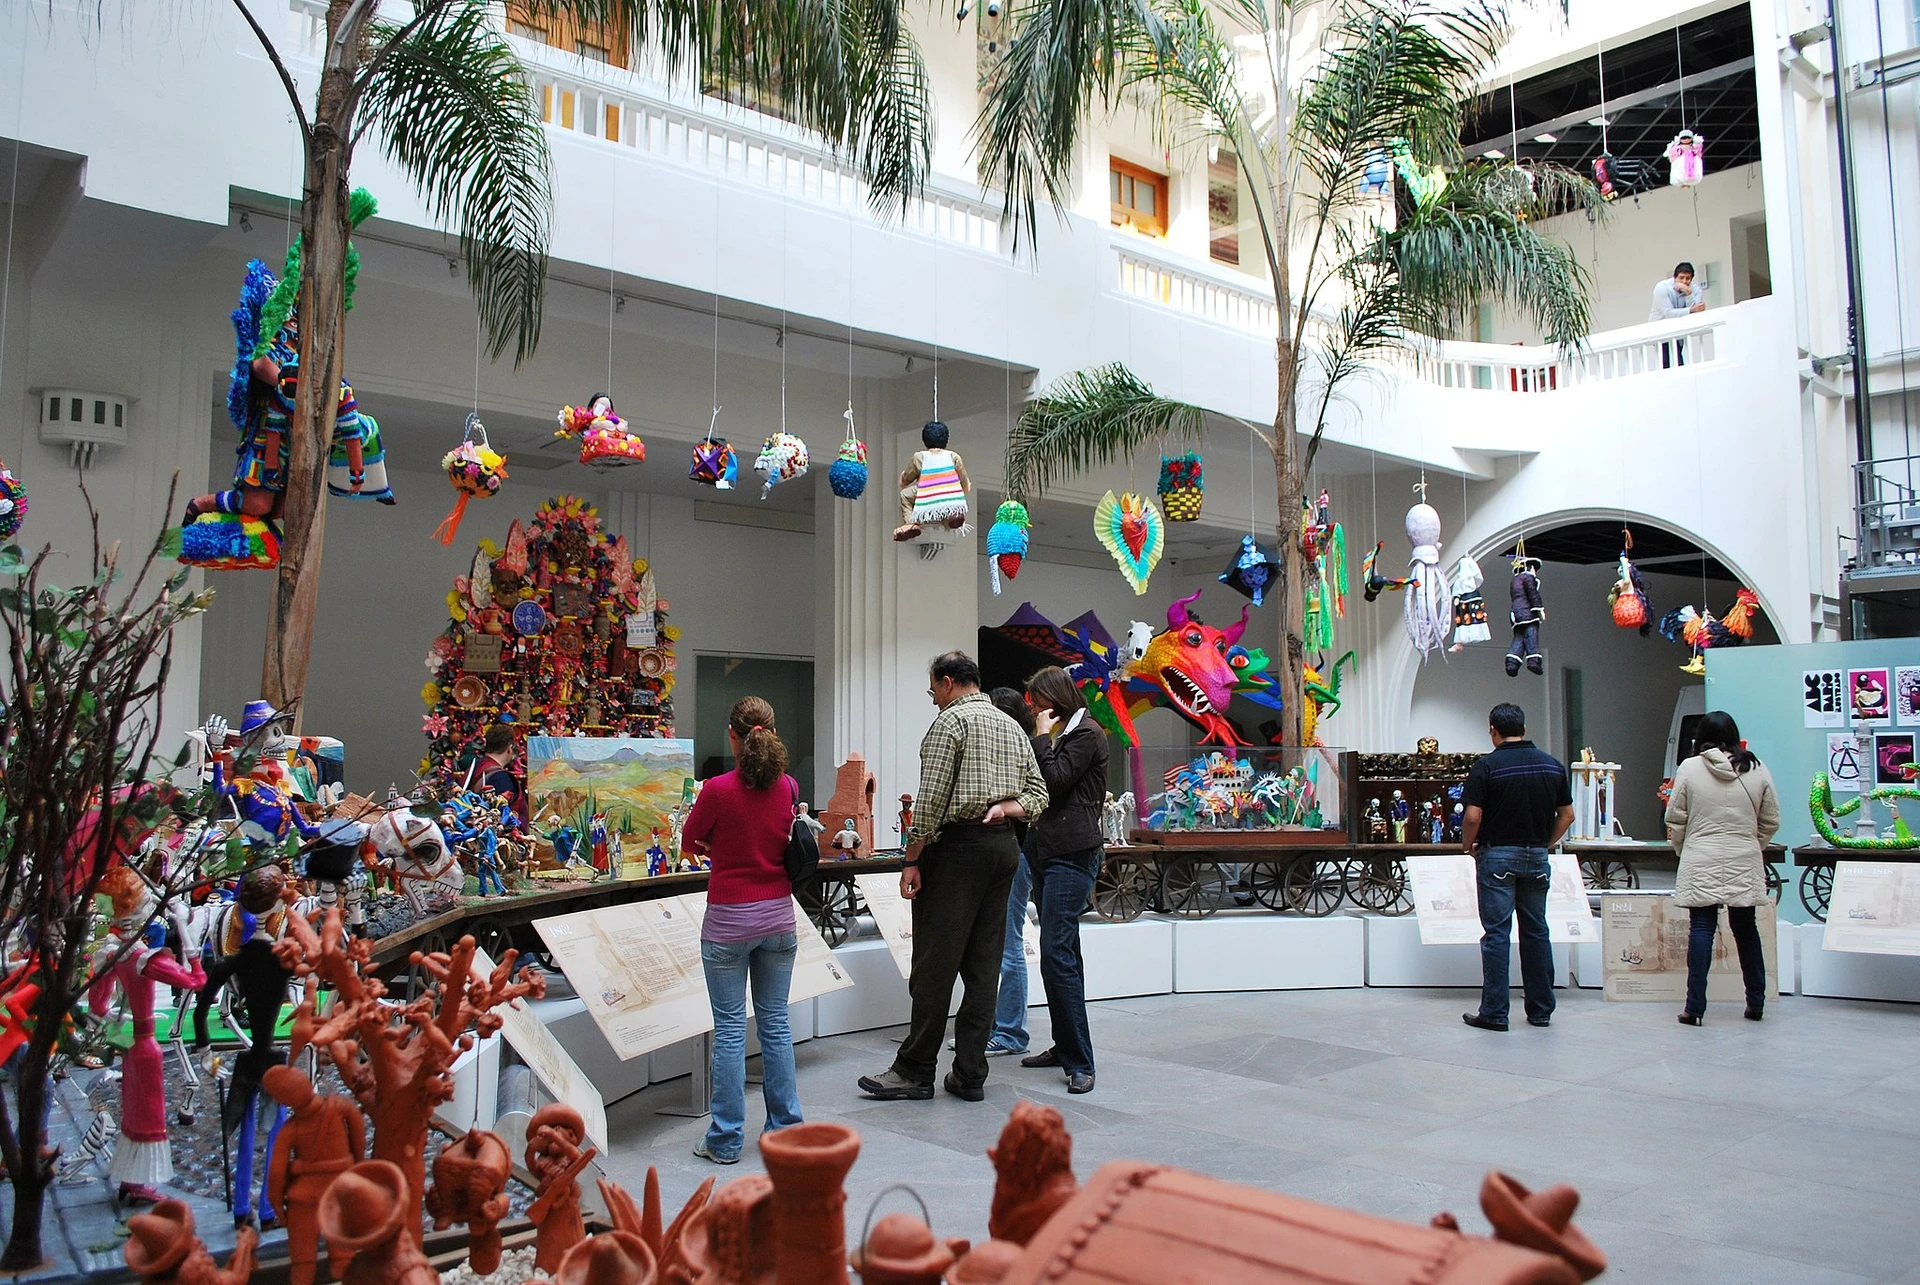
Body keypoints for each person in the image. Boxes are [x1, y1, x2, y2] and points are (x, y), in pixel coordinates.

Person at [858, 652, 1049, 1103]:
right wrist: (1006, 808)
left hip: (957, 852)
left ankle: (915, 1070)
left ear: (946, 683)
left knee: (934, 966)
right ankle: (969, 1074)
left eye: (932, 691)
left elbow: (929, 803)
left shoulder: (950, 724)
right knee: (984, 968)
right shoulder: (1009, 724)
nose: (934, 700)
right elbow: (1039, 794)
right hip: (1003, 849)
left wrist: (911, 859)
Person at [679, 696, 804, 1163]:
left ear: (732, 734)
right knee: (776, 1025)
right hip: (778, 919)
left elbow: (690, 841)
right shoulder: (789, 786)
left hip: (728, 922)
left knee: (731, 1031)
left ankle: (726, 1139)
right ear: (771, 732)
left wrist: (722, 846)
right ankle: (785, 1132)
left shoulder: (716, 789)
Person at [1019, 666, 1108, 1095]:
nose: (1031, 706)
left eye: (1035, 700)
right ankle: (1064, 1045)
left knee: (1057, 954)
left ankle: (1080, 1061)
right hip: (1049, 852)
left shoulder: (1087, 734)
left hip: (1072, 855)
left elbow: (1053, 782)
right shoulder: (1069, 735)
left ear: (1053, 701)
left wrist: (1039, 737)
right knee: (1061, 953)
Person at [1458, 703, 1572, 1032]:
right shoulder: (1552, 766)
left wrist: (1468, 846)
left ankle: (1494, 1012)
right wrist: (1545, 844)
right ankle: (1541, 1010)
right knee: (1536, 930)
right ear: (1523, 728)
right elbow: (1567, 815)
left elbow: (1473, 816)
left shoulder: (1487, 766)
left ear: (1493, 730)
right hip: (1536, 857)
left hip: (1497, 857)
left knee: (1497, 934)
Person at [1664, 710, 1779, 1025]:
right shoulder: (1756, 768)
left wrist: (1683, 848)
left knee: (1701, 929)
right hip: (1744, 856)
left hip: (1701, 856)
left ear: (1700, 737)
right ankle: (1756, 1003)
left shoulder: (1689, 767)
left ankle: (1694, 1008)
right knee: (1746, 929)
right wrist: (1753, 844)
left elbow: (1675, 817)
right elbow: (1771, 819)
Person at [985, 687, 1038, 1058]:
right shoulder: (1018, 749)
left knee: (1008, 943)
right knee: (997, 944)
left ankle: (1010, 1032)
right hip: (1007, 855)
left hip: (1017, 855)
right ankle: (995, 1028)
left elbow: (1033, 804)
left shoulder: (1024, 752)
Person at [1649, 261, 1706, 367]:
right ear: (1675, 277)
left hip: (1679, 328)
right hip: (1660, 328)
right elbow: (1669, 313)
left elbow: (1696, 313)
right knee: (1665, 361)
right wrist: (1691, 310)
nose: (1684, 281)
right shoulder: (1662, 287)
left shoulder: (1695, 290)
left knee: (1679, 359)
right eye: (1681, 277)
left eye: (1687, 278)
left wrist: (1688, 294)